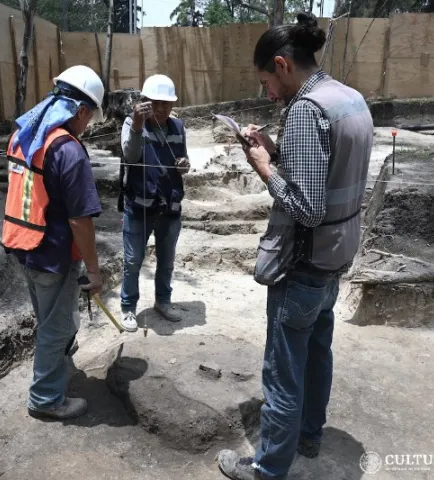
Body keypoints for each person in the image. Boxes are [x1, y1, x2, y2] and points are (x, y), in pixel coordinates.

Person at [217, 13, 373, 480]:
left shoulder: (306, 111)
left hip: (303, 262)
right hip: (336, 255)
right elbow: (330, 174)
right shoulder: (350, 99)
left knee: (283, 370)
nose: (268, 94)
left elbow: (305, 208)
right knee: (318, 353)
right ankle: (309, 435)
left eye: (267, 81)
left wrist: (265, 164)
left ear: (283, 64)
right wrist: (279, 150)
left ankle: (268, 468)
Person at [1, 65, 105, 420]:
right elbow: (80, 220)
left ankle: (56, 371)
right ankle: (46, 399)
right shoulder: (67, 150)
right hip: (52, 253)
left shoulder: (25, 135)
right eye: (89, 117)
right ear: (81, 111)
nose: (87, 125)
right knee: (56, 326)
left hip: (24, 246)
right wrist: (94, 270)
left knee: (51, 320)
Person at [118, 74, 191, 332]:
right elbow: (131, 155)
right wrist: (138, 124)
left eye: (166, 104)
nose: (161, 109)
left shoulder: (178, 127)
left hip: (169, 208)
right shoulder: (131, 124)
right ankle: (128, 308)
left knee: (167, 260)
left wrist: (184, 166)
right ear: (144, 102)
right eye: (155, 103)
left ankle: (163, 300)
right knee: (132, 261)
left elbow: (184, 160)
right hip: (138, 208)